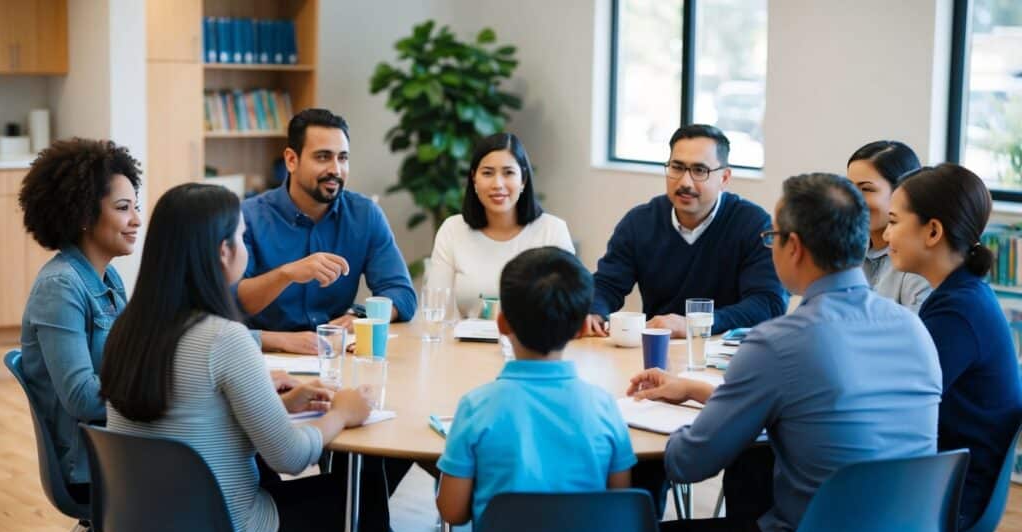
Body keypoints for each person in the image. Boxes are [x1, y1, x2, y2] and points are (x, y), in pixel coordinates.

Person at [627, 173, 942, 532]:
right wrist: (707, 394)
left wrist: (661, 425)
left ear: (793, 246)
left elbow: (689, 463)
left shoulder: (780, 342)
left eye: (771, 236)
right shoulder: (912, 328)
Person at [101, 183, 387, 532]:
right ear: (222, 252)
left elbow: (193, 412)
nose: (245, 247)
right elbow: (289, 456)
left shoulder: (129, 330)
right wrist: (343, 411)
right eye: (241, 237)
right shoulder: (223, 338)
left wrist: (280, 405)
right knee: (363, 495)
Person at [430, 246, 637, 532]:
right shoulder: (604, 406)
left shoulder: (476, 407)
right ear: (579, 328)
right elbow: (619, 498)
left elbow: (452, 512)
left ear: (501, 323)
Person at [885, 163, 1022, 528]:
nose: (885, 235)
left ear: (932, 231)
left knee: (773, 466)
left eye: (895, 222)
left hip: (949, 496)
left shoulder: (958, 312)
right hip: (945, 476)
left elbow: (896, 404)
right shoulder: (960, 294)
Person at [18, 138, 142, 495]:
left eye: (136, 207)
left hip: (119, 443)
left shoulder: (108, 278)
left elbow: (139, 351)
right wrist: (157, 389)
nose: (136, 220)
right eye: (123, 208)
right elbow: (83, 399)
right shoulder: (61, 286)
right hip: (90, 465)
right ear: (85, 215)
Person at [237, 108, 417, 354]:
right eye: (323, 157)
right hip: (265, 358)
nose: (335, 169)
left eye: (342, 158)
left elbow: (402, 295)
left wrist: (361, 316)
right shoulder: (247, 217)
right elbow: (232, 302)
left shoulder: (364, 215)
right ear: (291, 160)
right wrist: (286, 274)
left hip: (337, 355)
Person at [581, 124, 786, 339]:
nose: (685, 182)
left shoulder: (753, 225)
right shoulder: (639, 222)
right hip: (657, 352)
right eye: (677, 168)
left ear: (724, 178)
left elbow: (768, 304)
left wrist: (695, 324)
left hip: (728, 354)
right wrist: (594, 311)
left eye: (699, 171)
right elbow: (607, 284)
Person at [429, 132, 574, 317]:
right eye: (487, 173)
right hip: (465, 343)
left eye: (508, 173)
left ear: (523, 180)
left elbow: (568, 305)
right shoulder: (452, 229)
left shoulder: (553, 230)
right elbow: (436, 308)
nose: (497, 184)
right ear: (474, 179)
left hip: (532, 344)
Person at [846, 140, 931, 311]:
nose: (852, 199)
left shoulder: (919, 263)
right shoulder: (849, 251)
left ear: (902, 193)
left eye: (866, 189)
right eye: (849, 188)